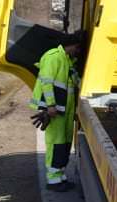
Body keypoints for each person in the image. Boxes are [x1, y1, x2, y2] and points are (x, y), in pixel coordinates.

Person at [29, 32, 85, 192]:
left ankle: (60, 176)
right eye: (77, 48)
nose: (78, 51)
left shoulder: (67, 61)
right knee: (55, 143)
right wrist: (51, 105)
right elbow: (46, 83)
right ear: (71, 45)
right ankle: (53, 180)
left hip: (64, 110)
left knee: (64, 143)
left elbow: (70, 85)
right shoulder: (54, 57)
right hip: (54, 110)